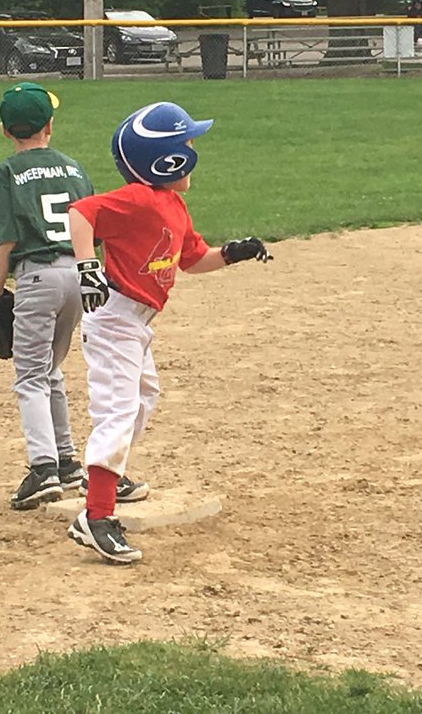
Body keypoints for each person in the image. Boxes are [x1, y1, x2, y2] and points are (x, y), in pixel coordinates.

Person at [65, 102, 272, 564]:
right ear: (166, 159)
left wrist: (233, 253)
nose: (193, 149)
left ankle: (106, 475)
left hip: (136, 321)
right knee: (117, 411)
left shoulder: (172, 204)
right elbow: (81, 213)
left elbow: (193, 260)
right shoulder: (138, 198)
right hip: (114, 316)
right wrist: (88, 268)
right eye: (187, 143)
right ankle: (94, 517)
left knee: (143, 399)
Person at [0, 82, 101, 510]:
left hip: (37, 277)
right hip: (78, 274)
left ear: (5, 130)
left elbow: (7, 240)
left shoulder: (7, 173)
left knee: (30, 376)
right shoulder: (74, 168)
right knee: (50, 370)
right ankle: (67, 459)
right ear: (49, 126)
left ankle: (43, 468)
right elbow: (92, 225)